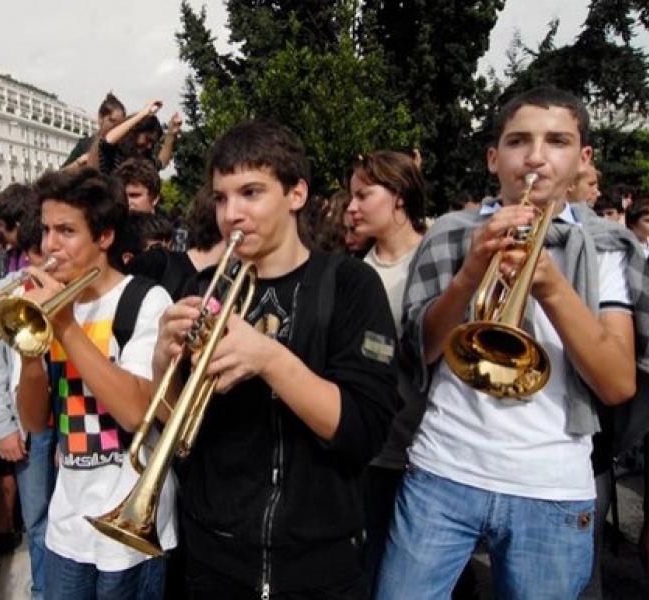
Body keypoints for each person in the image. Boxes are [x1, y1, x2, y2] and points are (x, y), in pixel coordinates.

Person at [377, 85, 644, 599]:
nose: (537, 158)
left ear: (582, 158)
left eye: (557, 142)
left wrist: (549, 284)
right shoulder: (453, 234)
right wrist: (471, 271)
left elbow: (617, 383)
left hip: (553, 489)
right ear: (495, 158)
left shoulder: (606, 249)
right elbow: (421, 351)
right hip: (441, 472)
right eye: (520, 141)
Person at [153, 120, 399, 598]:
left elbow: (364, 431)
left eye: (250, 192)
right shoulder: (204, 290)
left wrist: (268, 358)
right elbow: (176, 429)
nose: (232, 214)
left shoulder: (350, 285)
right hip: (213, 557)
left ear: (296, 194)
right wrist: (165, 364)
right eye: (221, 198)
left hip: (318, 564)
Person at [16, 168, 175, 600]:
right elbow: (33, 422)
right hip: (67, 522)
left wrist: (64, 326)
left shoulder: (145, 300)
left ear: (104, 237)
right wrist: (31, 354)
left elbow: (134, 412)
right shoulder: (43, 307)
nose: (50, 245)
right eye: (47, 230)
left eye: (66, 231)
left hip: (130, 528)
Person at [345, 150, 429, 597]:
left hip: (429, 453)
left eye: (363, 195)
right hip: (376, 455)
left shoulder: (436, 257)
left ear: (398, 196)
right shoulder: (355, 273)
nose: (351, 207)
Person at [0, 205, 55, 600]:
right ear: (28, 251)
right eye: (40, 251)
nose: (50, 259)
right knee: (39, 520)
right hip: (30, 426)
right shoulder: (3, 292)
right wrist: (3, 427)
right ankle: (43, 592)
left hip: (72, 421)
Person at [62, 92, 127, 170]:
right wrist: (79, 163)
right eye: (112, 121)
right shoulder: (85, 144)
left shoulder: (123, 148)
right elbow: (61, 173)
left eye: (120, 124)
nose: (115, 127)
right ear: (100, 118)